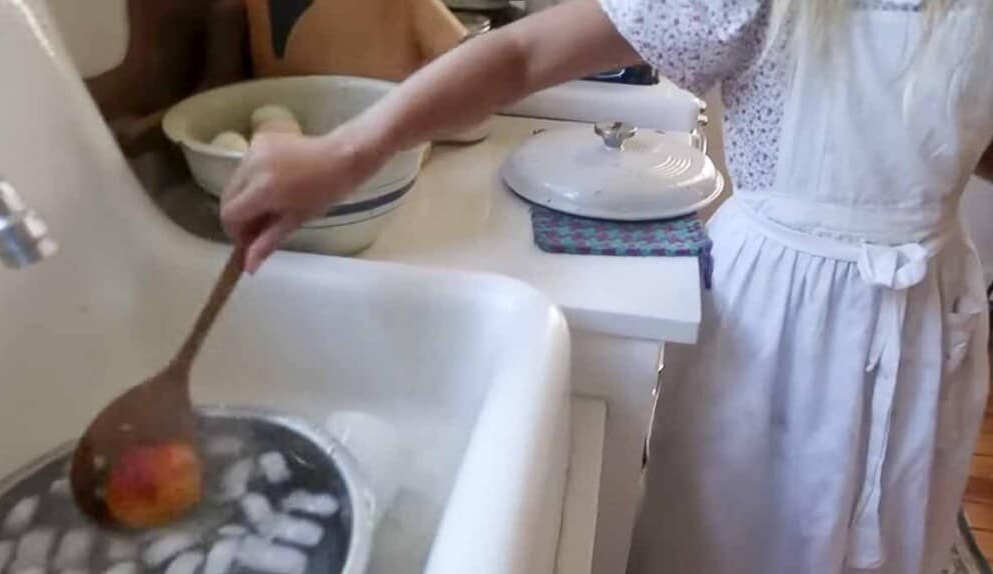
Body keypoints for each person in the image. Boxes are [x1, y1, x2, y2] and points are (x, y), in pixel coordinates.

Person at [220, 1, 993, 572]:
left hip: (928, 318)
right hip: (781, 321)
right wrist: (350, 150)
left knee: (892, 533)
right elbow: (523, 55)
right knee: (735, 538)